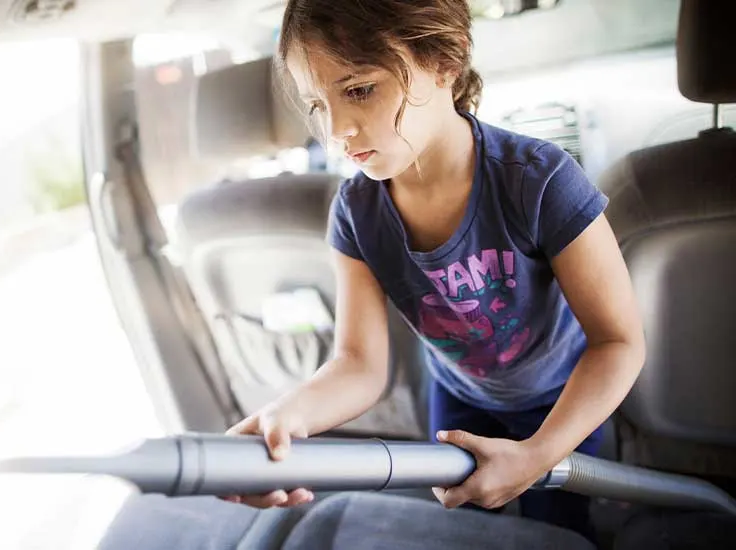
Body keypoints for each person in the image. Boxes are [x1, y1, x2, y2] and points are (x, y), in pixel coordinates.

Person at [223, 0, 646, 543]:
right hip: (458, 398)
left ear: (445, 60)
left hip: (560, 399)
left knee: (556, 532)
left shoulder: (539, 182)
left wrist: (539, 453)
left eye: (359, 90)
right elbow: (359, 364)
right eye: (317, 105)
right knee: (468, 532)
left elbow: (617, 342)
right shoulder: (356, 214)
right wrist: (286, 418)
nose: (335, 132)